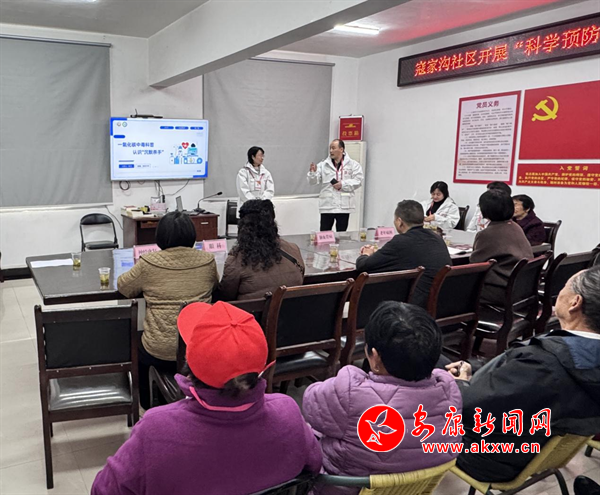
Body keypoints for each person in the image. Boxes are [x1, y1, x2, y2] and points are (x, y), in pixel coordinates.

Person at [92, 301, 322, 495]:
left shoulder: (155, 430)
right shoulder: (289, 412)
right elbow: (314, 464)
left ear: (190, 364)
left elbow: (103, 490)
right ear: (262, 366)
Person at [446, 266, 600, 482]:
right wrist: (476, 368)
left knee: (428, 369)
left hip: (490, 456)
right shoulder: (572, 354)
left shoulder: (544, 362)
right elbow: (513, 378)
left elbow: (471, 406)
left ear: (575, 302)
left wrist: (459, 384)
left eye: (564, 286)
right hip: (539, 448)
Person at [303, 302, 462, 495]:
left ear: (375, 357)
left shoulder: (350, 392)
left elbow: (310, 402)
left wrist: (352, 377)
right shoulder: (450, 391)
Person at [117, 211, 219, 409]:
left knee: (138, 340)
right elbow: (215, 286)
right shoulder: (208, 261)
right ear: (191, 234)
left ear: (160, 236)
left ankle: (147, 404)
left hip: (159, 351)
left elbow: (124, 287)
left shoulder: (148, 262)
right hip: (198, 348)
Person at [355, 200, 451, 308]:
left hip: (412, 310)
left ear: (400, 221)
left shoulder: (400, 242)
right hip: (443, 304)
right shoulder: (437, 238)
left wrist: (366, 254)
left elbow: (363, 265)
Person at [215, 199, 304, 301]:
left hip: (251, 311)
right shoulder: (293, 249)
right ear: (272, 225)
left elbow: (225, 296)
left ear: (241, 228)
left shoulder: (236, 260)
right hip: (294, 309)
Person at [470, 189, 533, 306]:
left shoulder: (487, 233)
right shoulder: (515, 226)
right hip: (523, 287)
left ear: (485, 210)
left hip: (502, 290)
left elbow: (475, 265)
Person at [307, 139, 363, 232]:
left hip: (344, 206)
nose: (331, 151)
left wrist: (342, 184)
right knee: (325, 233)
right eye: (330, 148)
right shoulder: (323, 165)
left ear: (341, 149)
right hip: (327, 206)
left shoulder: (353, 164)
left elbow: (358, 181)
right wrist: (313, 173)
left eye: (333, 148)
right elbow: (312, 182)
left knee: (342, 234)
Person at [236, 146, 275, 212]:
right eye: (260, 155)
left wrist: (262, 202)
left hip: (262, 208)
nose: (262, 158)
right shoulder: (243, 172)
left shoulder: (266, 173)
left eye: (263, 156)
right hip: (247, 207)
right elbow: (243, 191)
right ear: (253, 157)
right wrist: (254, 203)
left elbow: (270, 190)